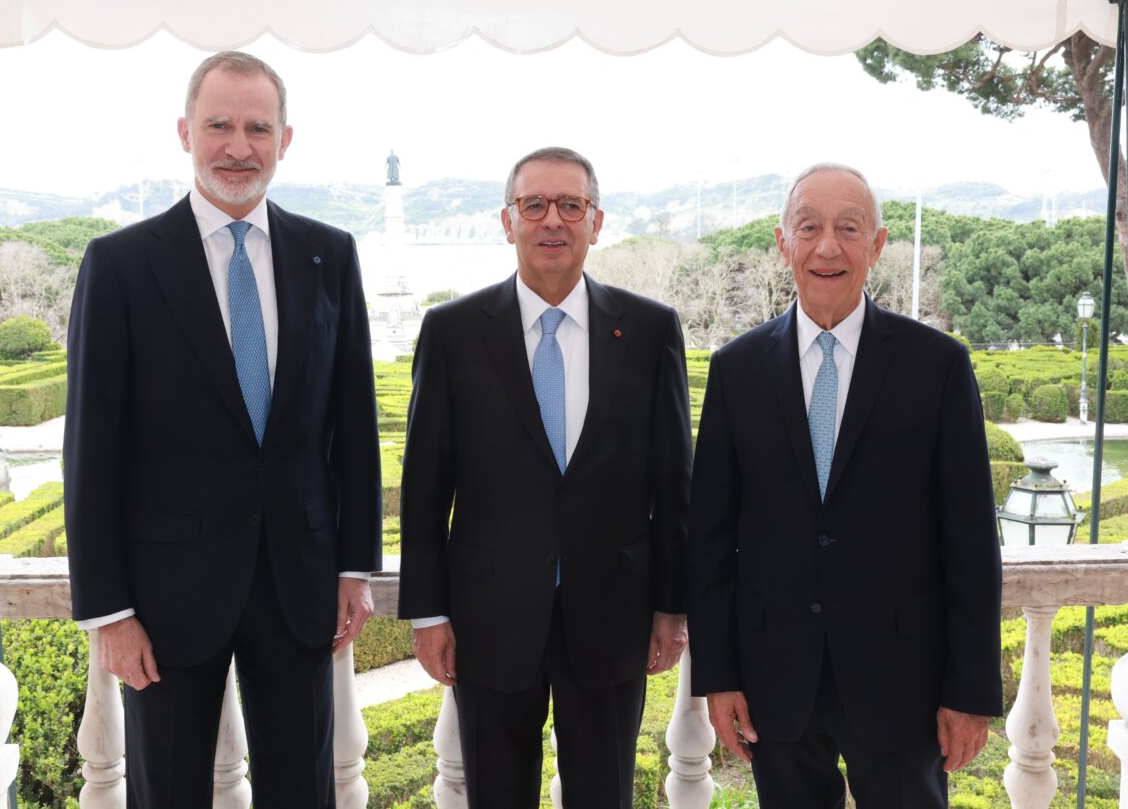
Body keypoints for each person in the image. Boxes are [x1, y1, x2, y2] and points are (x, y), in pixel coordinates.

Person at [63, 51, 382, 808]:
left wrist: (354, 564)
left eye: (256, 128)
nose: (238, 146)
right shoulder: (120, 264)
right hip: (165, 599)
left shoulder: (329, 255)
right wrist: (108, 611)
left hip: (298, 586)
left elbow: (353, 425)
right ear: (184, 132)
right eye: (219, 125)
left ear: (284, 139)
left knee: (303, 792)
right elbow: (91, 449)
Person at [688, 163, 1002, 808]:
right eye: (809, 227)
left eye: (848, 228)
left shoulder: (937, 365)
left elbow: (970, 538)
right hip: (776, 680)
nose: (827, 246)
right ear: (784, 243)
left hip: (903, 682)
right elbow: (711, 540)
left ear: (878, 244)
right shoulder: (736, 369)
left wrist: (969, 691)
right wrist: (717, 678)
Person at [398, 146, 693, 808]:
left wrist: (673, 606)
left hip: (613, 614)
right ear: (508, 221)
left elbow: (675, 485)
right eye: (534, 204)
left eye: (571, 204)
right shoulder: (451, 332)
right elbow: (424, 485)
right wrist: (429, 610)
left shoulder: (649, 330)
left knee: (604, 796)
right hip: (488, 617)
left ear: (597, 219)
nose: (552, 220)